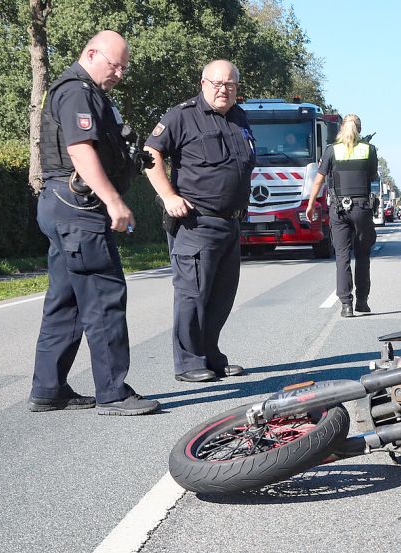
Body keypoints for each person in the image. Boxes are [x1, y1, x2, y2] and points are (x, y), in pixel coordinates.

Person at [30, 30, 159, 415]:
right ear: (91, 53)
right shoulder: (77, 91)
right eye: (114, 64)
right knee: (103, 298)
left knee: (66, 301)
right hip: (78, 210)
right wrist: (115, 200)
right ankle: (113, 392)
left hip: (63, 207)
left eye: (124, 67)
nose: (119, 73)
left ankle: (49, 388)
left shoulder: (90, 94)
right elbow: (80, 150)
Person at [144, 60, 255, 383]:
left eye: (230, 84)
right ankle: (189, 361)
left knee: (221, 295)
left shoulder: (239, 117)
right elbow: (151, 154)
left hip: (230, 223)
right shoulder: (182, 116)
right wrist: (168, 195)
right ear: (203, 83)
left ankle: (211, 355)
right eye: (217, 83)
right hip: (196, 223)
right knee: (192, 294)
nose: (224, 89)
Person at [305, 114, 378, 318]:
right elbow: (372, 176)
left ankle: (346, 305)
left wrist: (311, 205)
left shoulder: (331, 150)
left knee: (342, 257)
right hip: (362, 208)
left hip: (339, 209)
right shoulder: (369, 150)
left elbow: (318, 181)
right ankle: (362, 302)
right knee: (362, 256)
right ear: (360, 130)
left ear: (340, 128)